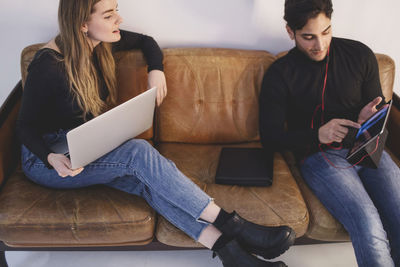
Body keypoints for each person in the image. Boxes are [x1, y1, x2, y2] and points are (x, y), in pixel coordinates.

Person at [16, 0, 295, 266]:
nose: (119, 20)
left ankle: (230, 252)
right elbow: (25, 127)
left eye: (117, 10)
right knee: (137, 153)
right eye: (109, 15)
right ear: (82, 25)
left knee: (145, 182)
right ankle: (232, 224)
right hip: (46, 160)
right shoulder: (48, 65)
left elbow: (147, 42)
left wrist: (156, 70)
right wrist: (51, 158)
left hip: (82, 144)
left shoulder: (100, 42)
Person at [259, 0, 400, 266]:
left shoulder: (359, 55)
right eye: (308, 37)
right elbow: (270, 137)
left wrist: (366, 119)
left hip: (367, 148)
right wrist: (318, 135)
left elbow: (377, 107)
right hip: (321, 156)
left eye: (326, 32)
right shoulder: (280, 74)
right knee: (367, 222)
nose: (320, 45)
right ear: (291, 32)